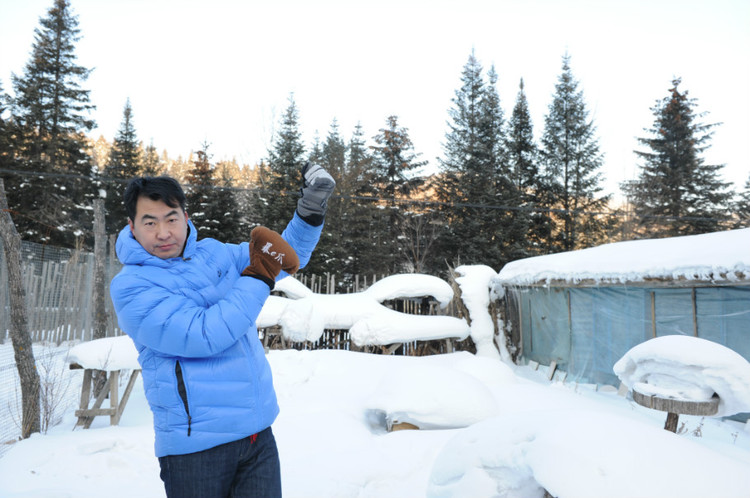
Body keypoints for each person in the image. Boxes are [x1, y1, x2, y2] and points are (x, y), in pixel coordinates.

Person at [109, 163, 335, 498]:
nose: (163, 232)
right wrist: (259, 276)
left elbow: (282, 258)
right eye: (150, 222)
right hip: (195, 449)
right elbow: (204, 335)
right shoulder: (131, 287)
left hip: (257, 435)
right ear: (132, 226)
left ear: (186, 217)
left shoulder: (214, 253)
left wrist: (310, 211)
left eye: (171, 218)